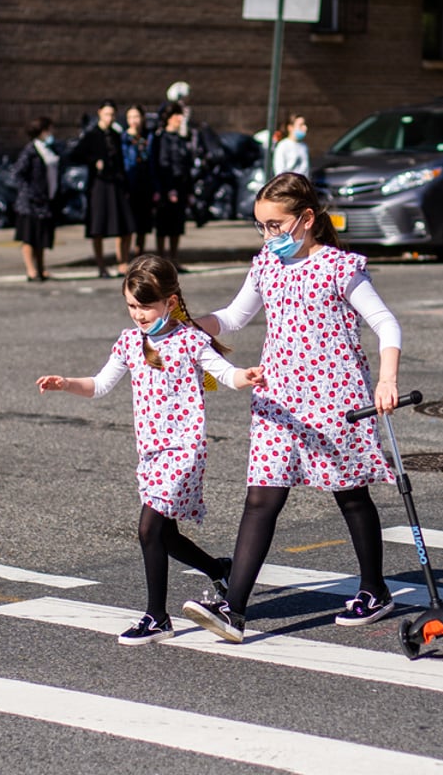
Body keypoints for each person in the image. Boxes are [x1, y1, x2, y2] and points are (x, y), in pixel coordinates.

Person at [182, 172, 402, 643]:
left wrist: (386, 380)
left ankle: (375, 588)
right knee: (262, 497)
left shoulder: (341, 267)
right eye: (261, 226)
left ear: (306, 219)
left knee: (350, 493)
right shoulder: (266, 265)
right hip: (278, 399)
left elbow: (387, 324)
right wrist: (183, 325)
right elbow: (234, 317)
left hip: (334, 398)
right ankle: (234, 609)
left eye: (276, 225)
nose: (269, 236)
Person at [36, 255, 263, 645]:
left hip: (183, 450)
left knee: (148, 529)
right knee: (164, 534)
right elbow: (100, 384)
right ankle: (219, 568)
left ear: (170, 302)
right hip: (152, 453)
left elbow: (224, 373)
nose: (138, 314)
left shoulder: (190, 339)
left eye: (145, 306)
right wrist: (65, 383)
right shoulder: (130, 343)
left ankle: (157, 617)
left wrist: (247, 376)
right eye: (131, 306)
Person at [72, 100, 135, 278]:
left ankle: (122, 261)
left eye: (112, 115)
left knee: (125, 224)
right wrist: (94, 162)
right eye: (107, 114)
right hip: (99, 184)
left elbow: (120, 160)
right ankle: (101, 265)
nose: (110, 118)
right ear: (99, 113)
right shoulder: (91, 134)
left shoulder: (115, 134)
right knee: (98, 225)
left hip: (116, 182)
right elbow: (75, 154)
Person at [11, 116, 58, 282]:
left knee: (41, 237)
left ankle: (41, 268)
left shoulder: (49, 149)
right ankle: (31, 270)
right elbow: (17, 174)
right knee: (29, 238)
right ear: (43, 131)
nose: (52, 133)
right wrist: (30, 193)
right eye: (50, 129)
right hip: (30, 203)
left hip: (46, 201)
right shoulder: (31, 150)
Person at [152, 102, 191, 266]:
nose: (180, 118)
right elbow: (161, 163)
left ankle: (174, 258)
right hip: (166, 186)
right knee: (163, 225)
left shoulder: (181, 138)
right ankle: (162, 258)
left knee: (177, 225)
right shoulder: (161, 138)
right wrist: (167, 189)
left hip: (180, 185)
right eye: (177, 115)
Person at [122, 105, 155, 257]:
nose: (134, 120)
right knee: (127, 226)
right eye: (130, 117)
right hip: (129, 185)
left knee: (142, 226)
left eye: (136, 117)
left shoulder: (148, 137)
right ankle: (123, 258)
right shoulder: (123, 138)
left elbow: (153, 162)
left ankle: (138, 257)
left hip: (145, 185)